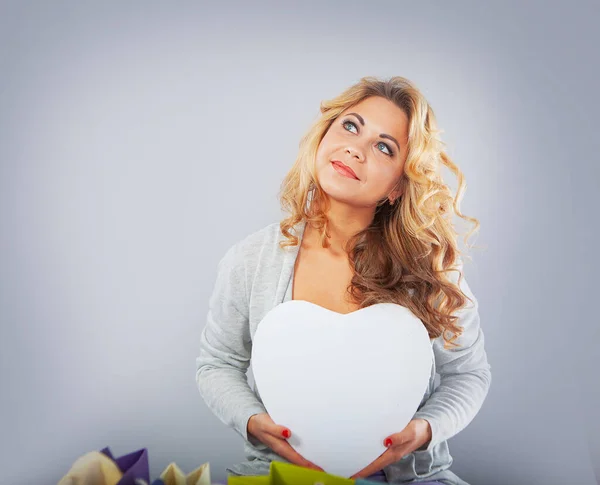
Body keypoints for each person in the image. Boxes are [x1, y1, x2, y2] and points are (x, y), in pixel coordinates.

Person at [195, 76, 492, 485]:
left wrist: (422, 431)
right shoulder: (251, 259)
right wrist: (253, 420)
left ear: (397, 185)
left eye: (384, 147)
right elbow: (217, 364)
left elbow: (469, 375)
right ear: (324, 135)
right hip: (280, 476)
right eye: (351, 126)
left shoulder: (430, 270)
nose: (356, 147)